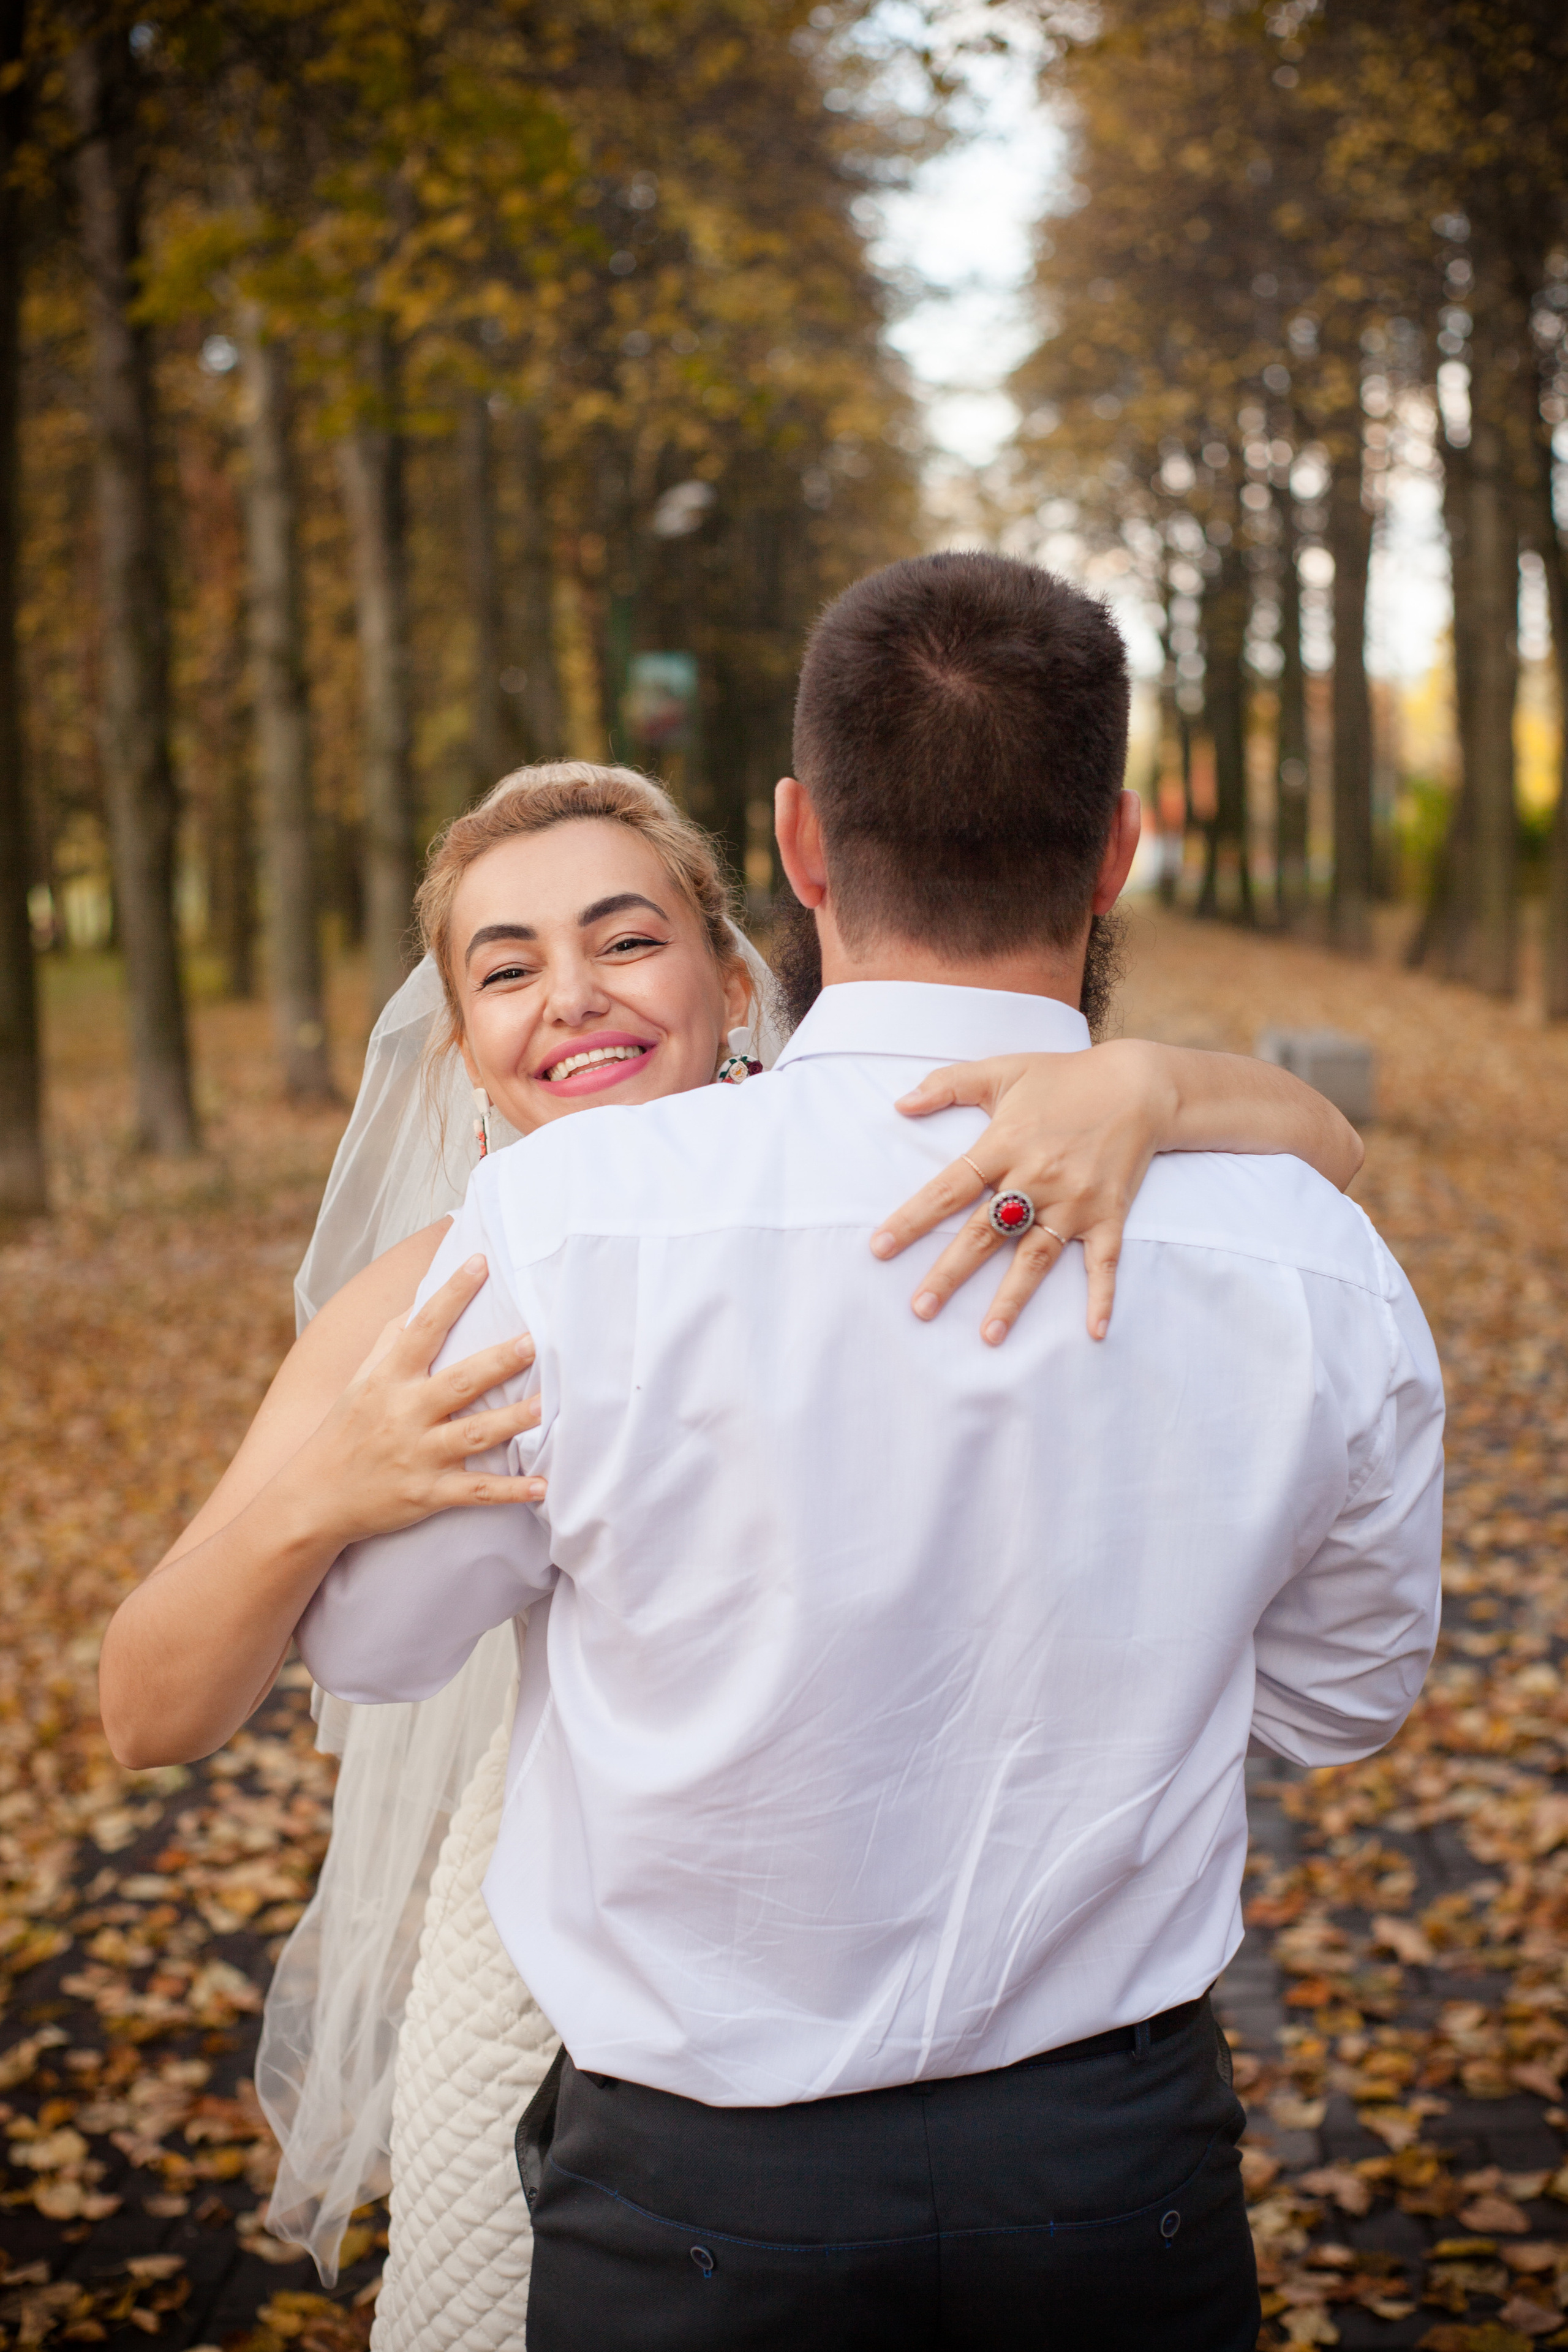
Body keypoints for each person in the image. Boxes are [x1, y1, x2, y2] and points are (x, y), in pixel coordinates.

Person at [290, 556, 1444, 2351]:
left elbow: (365, 1644)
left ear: (800, 848)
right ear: (1115, 847)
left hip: (692, 2203)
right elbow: (1346, 1697)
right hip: (1115, 2176)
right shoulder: (1309, 1252)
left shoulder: (570, 1230)